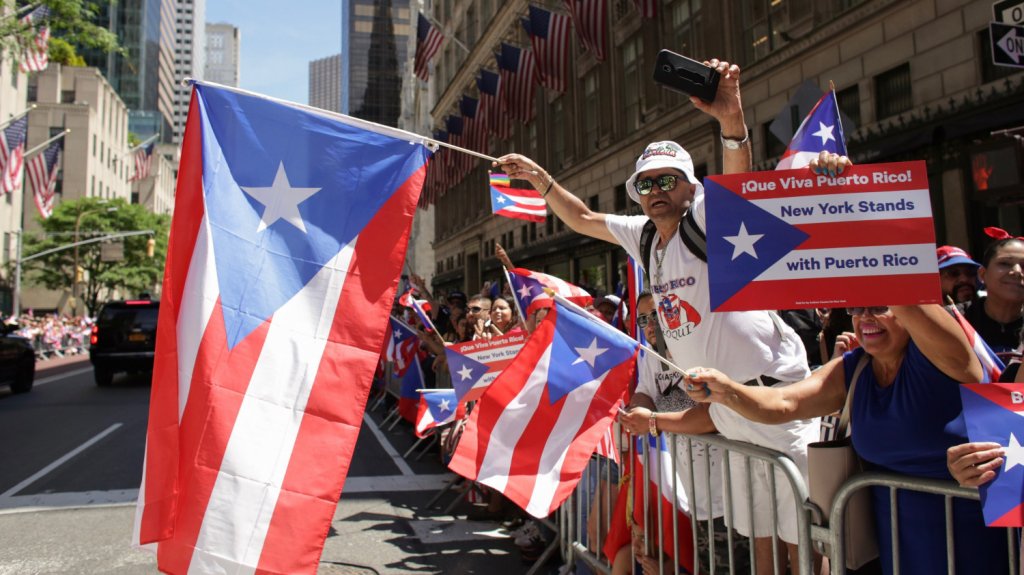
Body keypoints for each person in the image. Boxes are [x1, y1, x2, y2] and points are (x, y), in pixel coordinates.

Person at [497, 58, 843, 575]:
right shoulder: (642, 238)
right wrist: (541, 179)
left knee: (804, 541)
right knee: (764, 535)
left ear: (689, 186)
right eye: (646, 183)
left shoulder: (705, 219)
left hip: (771, 393)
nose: (656, 190)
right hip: (725, 408)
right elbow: (584, 218)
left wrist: (731, 121)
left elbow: (739, 178)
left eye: (668, 180)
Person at [676, 303, 1008, 575]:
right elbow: (784, 404)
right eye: (855, 308)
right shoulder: (855, 368)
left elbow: (909, 295)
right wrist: (727, 392)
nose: (865, 317)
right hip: (895, 544)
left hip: (971, 538)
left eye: (879, 306)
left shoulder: (943, 356)